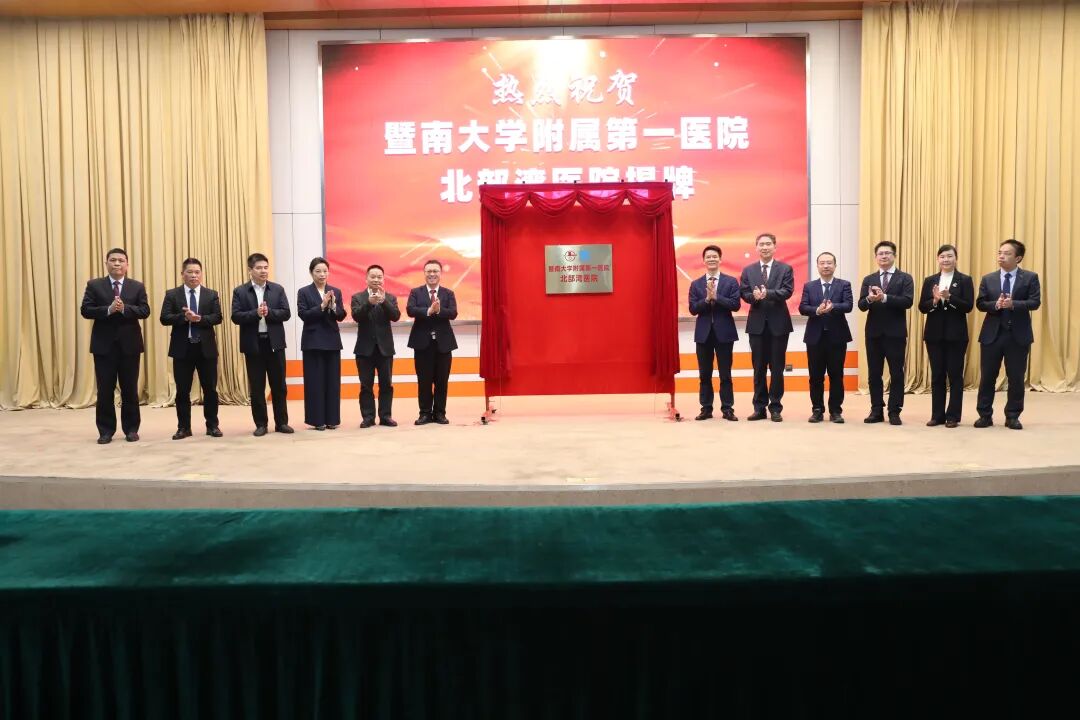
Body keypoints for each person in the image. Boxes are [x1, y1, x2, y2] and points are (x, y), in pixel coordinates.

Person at [80, 247, 150, 444]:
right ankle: (105, 431)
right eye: (113, 260)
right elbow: (86, 310)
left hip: (130, 346)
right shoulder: (94, 285)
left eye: (121, 260)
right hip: (104, 347)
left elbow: (145, 310)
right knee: (105, 390)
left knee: (130, 390)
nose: (117, 263)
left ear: (127, 264)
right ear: (106, 263)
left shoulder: (137, 286)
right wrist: (108, 310)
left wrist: (125, 309)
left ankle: (131, 429)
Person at [974, 239, 1041, 430]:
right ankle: (984, 415)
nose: (1001, 256)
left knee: (1016, 378)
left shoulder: (1030, 277)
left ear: (1018, 258)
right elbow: (980, 303)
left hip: (1017, 336)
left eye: (1007, 253)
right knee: (987, 377)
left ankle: (1012, 416)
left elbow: (1035, 302)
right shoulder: (988, 279)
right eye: (1000, 252)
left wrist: (1014, 304)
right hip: (992, 335)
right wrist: (995, 305)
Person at [159, 257, 223, 439]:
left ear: (201, 274)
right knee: (182, 391)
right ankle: (184, 427)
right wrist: (184, 317)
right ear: (182, 274)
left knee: (210, 390)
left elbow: (218, 317)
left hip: (206, 349)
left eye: (197, 272)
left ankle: (212, 426)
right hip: (182, 349)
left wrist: (200, 319)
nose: (194, 275)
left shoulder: (211, 294)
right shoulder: (172, 294)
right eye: (190, 272)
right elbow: (164, 318)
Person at [231, 252, 293, 436]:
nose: (263, 271)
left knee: (279, 386)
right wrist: (256, 314)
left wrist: (269, 312)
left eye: (266, 267)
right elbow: (236, 316)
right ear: (250, 270)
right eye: (259, 268)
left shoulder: (277, 289)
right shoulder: (240, 291)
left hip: (275, 344)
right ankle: (261, 424)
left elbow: (286, 313)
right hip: (253, 344)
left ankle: (282, 423)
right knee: (257, 387)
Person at [858, 241, 914, 425]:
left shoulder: (905, 278)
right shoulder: (869, 279)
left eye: (887, 253)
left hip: (895, 333)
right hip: (873, 333)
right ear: (876, 257)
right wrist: (869, 299)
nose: (884, 256)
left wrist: (885, 298)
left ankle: (894, 411)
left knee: (896, 373)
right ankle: (876, 410)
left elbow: (907, 301)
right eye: (880, 253)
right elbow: (861, 305)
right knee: (874, 373)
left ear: (894, 256)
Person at [739, 233, 794, 421]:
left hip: (779, 325)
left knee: (777, 368)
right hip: (757, 325)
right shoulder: (748, 270)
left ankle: (775, 407)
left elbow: (787, 291)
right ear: (756, 247)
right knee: (758, 368)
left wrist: (767, 293)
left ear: (775, 247)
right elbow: (744, 293)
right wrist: (754, 297)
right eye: (761, 244)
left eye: (768, 244)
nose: (764, 247)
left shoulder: (785, 268)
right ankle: (759, 407)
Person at [918, 244, 974, 428]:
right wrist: (934, 300)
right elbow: (922, 306)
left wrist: (950, 298)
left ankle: (953, 416)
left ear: (956, 259)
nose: (946, 260)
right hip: (934, 335)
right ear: (938, 259)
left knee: (955, 376)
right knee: (937, 375)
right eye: (942, 256)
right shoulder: (930, 280)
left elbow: (968, 306)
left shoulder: (964, 280)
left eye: (949, 256)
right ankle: (937, 415)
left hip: (956, 336)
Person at [798, 252, 853, 423]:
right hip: (815, 337)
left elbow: (848, 305)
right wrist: (817, 310)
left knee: (836, 375)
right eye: (822, 263)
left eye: (829, 263)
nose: (826, 266)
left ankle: (835, 411)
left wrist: (833, 306)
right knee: (816, 376)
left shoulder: (844, 284)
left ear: (835, 265)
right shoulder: (809, 286)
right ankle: (817, 410)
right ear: (817, 266)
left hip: (837, 337)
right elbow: (803, 307)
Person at [688, 244, 740, 421]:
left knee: (725, 374)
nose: (711, 259)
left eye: (714, 256)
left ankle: (727, 408)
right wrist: (706, 299)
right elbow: (693, 309)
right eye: (708, 257)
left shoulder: (731, 282)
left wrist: (717, 297)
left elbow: (735, 305)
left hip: (724, 334)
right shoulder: (696, 284)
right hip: (703, 335)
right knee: (704, 374)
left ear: (720, 259)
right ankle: (706, 408)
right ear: (704, 261)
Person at [407, 259, 458, 425]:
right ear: (424, 273)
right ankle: (424, 414)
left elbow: (453, 313)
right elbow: (410, 310)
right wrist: (428, 311)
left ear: (440, 273)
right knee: (424, 381)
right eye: (429, 271)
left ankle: (440, 413)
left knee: (442, 381)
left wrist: (439, 310)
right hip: (422, 344)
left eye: (435, 271)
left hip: (444, 344)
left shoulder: (448, 293)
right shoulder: (416, 292)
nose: (432, 274)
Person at [297, 257, 346, 430]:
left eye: (325, 271)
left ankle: (332, 419)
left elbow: (341, 315)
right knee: (314, 382)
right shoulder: (304, 292)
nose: (322, 274)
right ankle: (317, 420)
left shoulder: (335, 291)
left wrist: (333, 307)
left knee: (332, 382)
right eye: (318, 271)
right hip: (312, 342)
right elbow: (303, 314)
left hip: (332, 341)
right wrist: (322, 306)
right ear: (311, 273)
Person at [352, 264, 401, 428]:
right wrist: (369, 303)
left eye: (379, 277)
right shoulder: (358, 297)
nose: (376, 279)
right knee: (366, 386)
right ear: (366, 278)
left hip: (385, 349)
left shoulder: (390, 298)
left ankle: (385, 416)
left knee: (386, 384)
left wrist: (383, 301)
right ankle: (368, 417)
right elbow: (356, 316)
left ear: (383, 279)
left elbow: (395, 316)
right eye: (372, 276)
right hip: (364, 349)